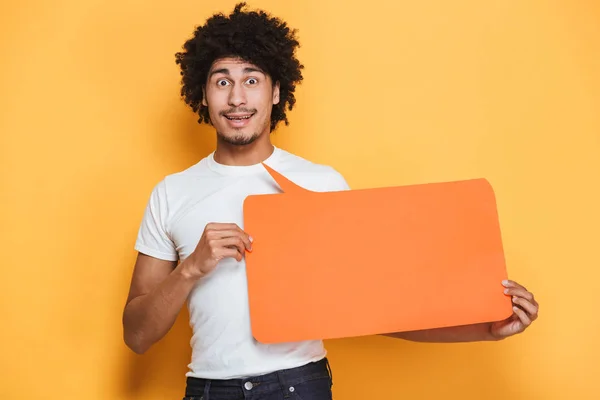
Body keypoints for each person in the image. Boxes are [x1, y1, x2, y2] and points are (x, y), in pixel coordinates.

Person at [121, 3, 539, 399]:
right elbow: (137, 336)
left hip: (297, 387)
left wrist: (485, 325)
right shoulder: (171, 193)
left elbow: (375, 306)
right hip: (209, 388)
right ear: (204, 93)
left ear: (276, 92)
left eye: (252, 80)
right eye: (222, 81)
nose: (236, 99)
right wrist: (190, 269)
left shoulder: (319, 183)